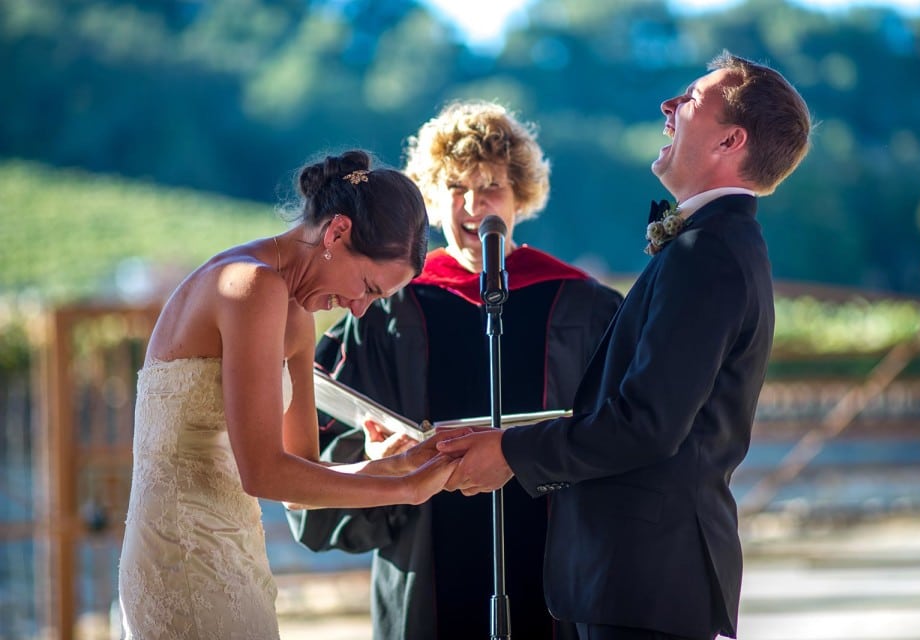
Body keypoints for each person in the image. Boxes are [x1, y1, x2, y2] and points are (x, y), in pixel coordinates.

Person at [437, 51, 813, 640]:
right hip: (640, 577)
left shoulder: (708, 253)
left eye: (689, 100)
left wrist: (512, 451)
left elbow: (647, 424)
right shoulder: (716, 243)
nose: (668, 106)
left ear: (730, 140)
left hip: (645, 580)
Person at [286, 101, 623, 639]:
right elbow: (320, 429)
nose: (472, 205)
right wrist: (375, 457)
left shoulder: (581, 305)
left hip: (553, 566)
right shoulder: (386, 307)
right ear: (432, 195)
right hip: (425, 566)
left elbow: (620, 432)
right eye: (456, 188)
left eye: (491, 187)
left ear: (521, 197)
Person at [117, 150, 465, 640]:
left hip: (236, 551)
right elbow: (262, 472)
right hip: (181, 554)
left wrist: (396, 465)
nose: (360, 310)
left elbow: (301, 476)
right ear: (337, 233)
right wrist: (404, 491)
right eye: (366, 286)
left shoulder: (296, 318)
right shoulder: (250, 284)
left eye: (375, 299)